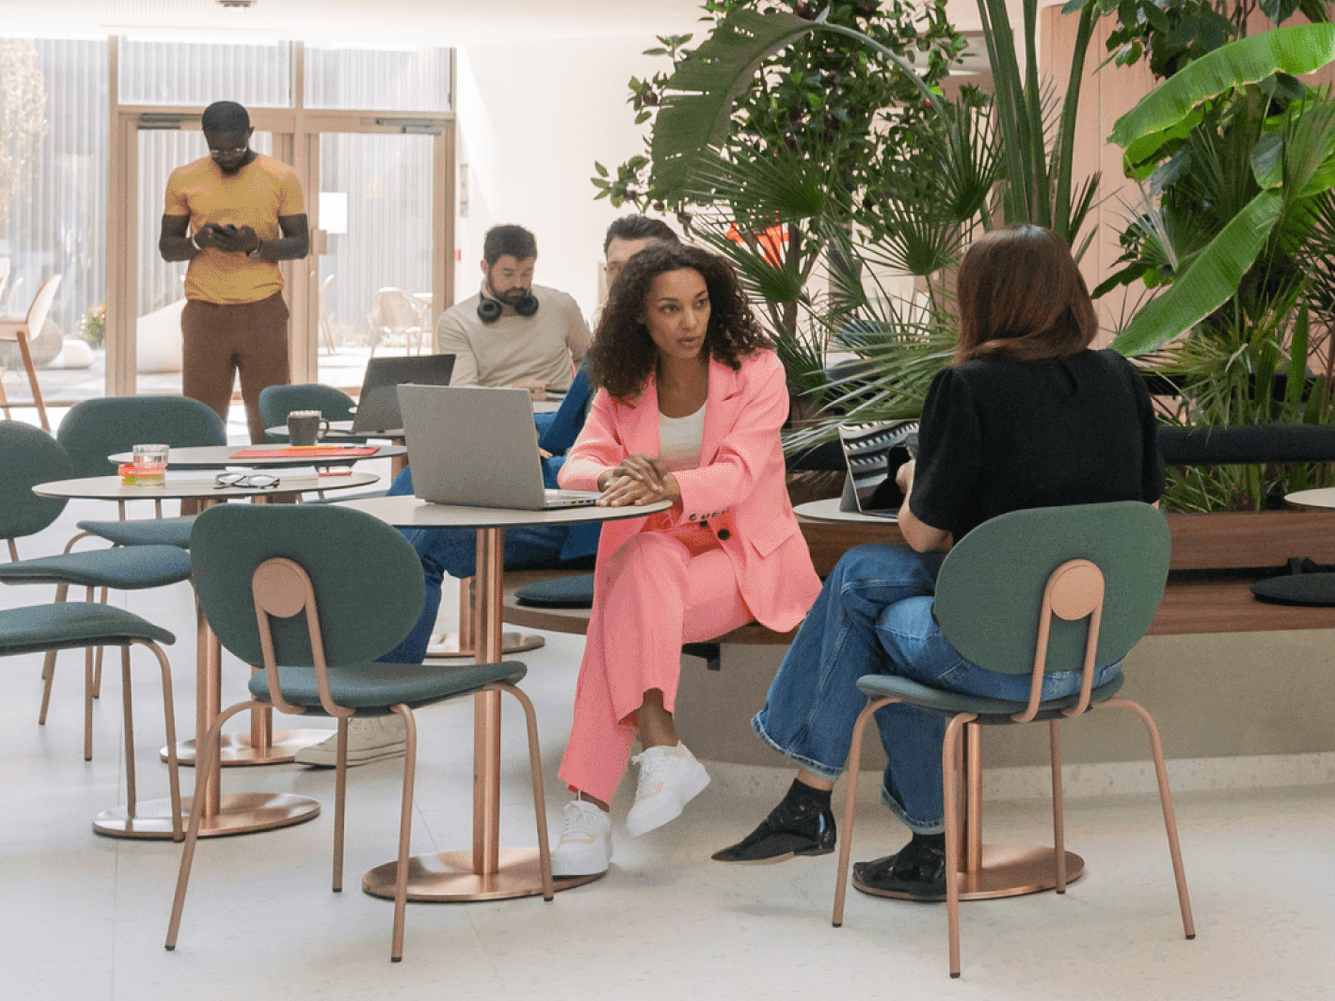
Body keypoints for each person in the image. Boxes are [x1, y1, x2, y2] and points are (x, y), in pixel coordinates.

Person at [715, 227, 1165, 897]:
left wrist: (910, 478)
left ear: (985, 300)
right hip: (1097, 646)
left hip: (997, 656)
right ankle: (829, 811)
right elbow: (1145, 509)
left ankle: (869, 819)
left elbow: (922, 536)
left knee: (870, 612)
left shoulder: (967, 387)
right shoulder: (1123, 378)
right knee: (861, 579)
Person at [324, 221, 664, 767]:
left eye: (639, 266)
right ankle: (375, 696)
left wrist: (543, 459)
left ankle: (377, 706)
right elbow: (563, 433)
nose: (625, 279)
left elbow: (651, 455)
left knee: (417, 524)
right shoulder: (612, 341)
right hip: (565, 498)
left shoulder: (678, 350)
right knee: (420, 505)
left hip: (602, 515)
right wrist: (507, 436)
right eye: (616, 268)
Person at [541, 241, 822, 875]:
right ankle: (661, 750)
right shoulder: (624, 383)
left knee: (616, 615)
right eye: (669, 309)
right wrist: (614, 475)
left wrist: (667, 486)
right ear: (641, 317)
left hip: (743, 558)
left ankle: (591, 807)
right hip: (657, 554)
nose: (689, 321)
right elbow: (576, 465)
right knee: (641, 565)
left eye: (699, 304)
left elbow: (741, 473)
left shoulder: (758, 371)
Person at [156, 100, 310, 433]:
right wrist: (199, 241)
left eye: (236, 148)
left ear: (250, 133)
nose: (226, 156)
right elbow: (168, 248)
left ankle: (274, 472)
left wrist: (255, 246)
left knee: (269, 420)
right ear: (205, 138)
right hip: (205, 312)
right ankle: (202, 470)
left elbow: (300, 245)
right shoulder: (183, 178)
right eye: (217, 150)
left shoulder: (281, 176)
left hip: (263, 311)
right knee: (201, 421)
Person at [436, 223, 590, 397]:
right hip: (496, 411)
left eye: (526, 273)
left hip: (559, 410)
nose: (518, 283)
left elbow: (592, 362)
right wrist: (512, 394)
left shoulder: (562, 306)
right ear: (485, 268)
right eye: (508, 274)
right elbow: (462, 393)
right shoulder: (456, 322)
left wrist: (578, 398)